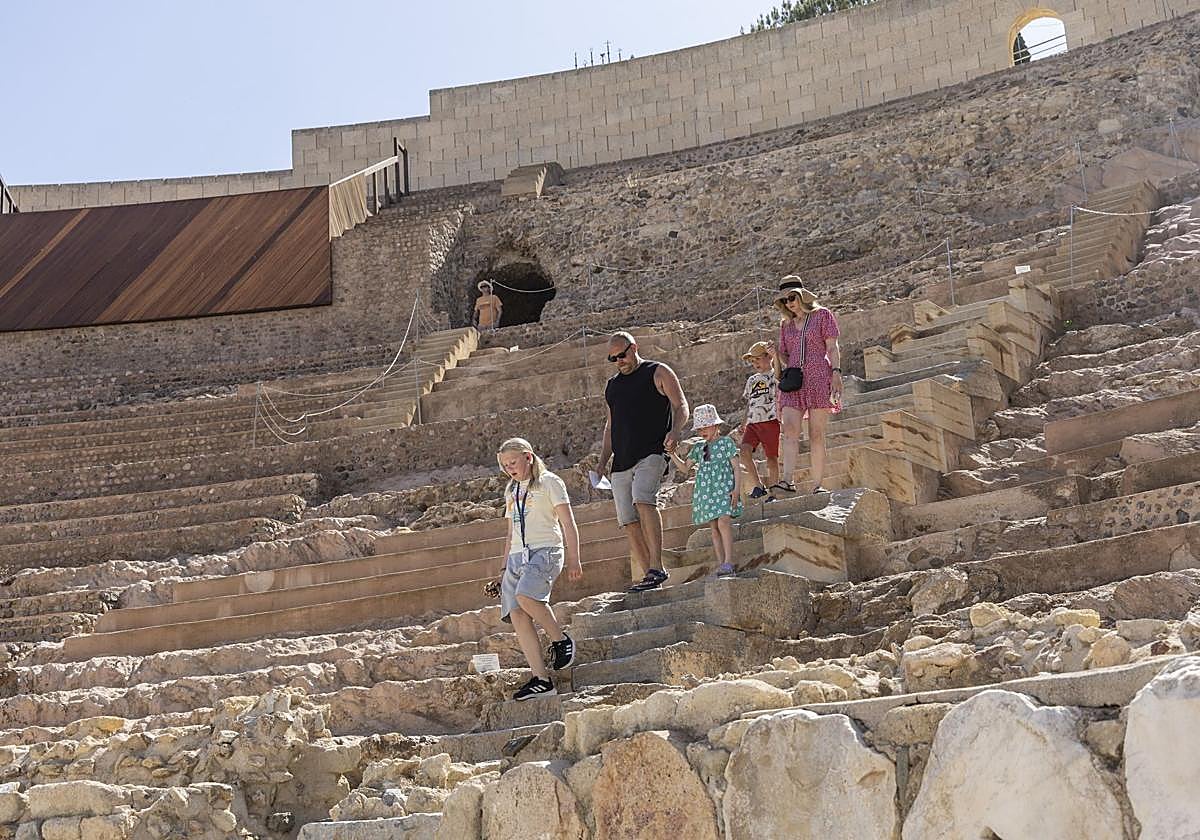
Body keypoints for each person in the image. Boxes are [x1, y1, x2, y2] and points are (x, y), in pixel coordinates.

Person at [597, 331, 690, 592]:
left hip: (652, 451)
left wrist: (675, 431)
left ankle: (657, 565)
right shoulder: (612, 386)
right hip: (621, 460)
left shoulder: (658, 371)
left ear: (634, 347)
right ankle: (648, 574)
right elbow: (609, 426)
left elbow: (681, 405)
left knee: (643, 498)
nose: (619, 361)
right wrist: (602, 461)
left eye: (622, 355)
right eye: (613, 358)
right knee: (627, 518)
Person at [495, 437, 583, 701]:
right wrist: (502, 568)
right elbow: (511, 532)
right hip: (516, 558)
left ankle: (561, 640)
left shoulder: (550, 482)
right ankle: (541, 680)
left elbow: (568, 522)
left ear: (528, 457)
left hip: (545, 550)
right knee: (517, 614)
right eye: (505, 465)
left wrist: (574, 558)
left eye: (513, 462)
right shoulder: (511, 490)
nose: (509, 468)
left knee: (526, 597)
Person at [769, 276, 843, 495]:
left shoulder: (822, 315)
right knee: (790, 429)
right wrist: (776, 353)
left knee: (816, 433)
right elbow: (786, 358)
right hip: (793, 381)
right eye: (784, 301)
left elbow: (832, 347)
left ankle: (818, 484)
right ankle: (787, 480)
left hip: (819, 376)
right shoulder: (786, 326)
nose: (789, 303)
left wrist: (837, 372)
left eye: (792, 297)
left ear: (802, 296)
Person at [668, 404, 743, 575]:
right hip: (706, 493)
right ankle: (721, 562)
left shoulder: (726, 443)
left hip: (724, 489)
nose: (702, 431)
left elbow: (736, 468)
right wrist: (672, 454)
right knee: (714, 527)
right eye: (700, 428)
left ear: (716, 425)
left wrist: (736, 490)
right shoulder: (698, 448)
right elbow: (685, 469)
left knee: (723, 522)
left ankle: (729, 560)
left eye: (706, 426)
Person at [738, 341, 780, 499]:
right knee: (744, 451)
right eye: (752, 361)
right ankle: (758, 485)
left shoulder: (774, 374)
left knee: (771, 458)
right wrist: (744, 422)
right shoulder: (751, 380)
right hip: (753, 423)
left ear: (768, 357)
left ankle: (774, 490)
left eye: (758, 359)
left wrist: (775, 356)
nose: (755, 363)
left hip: (770, 420)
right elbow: (750, 402)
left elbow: (778, 376)